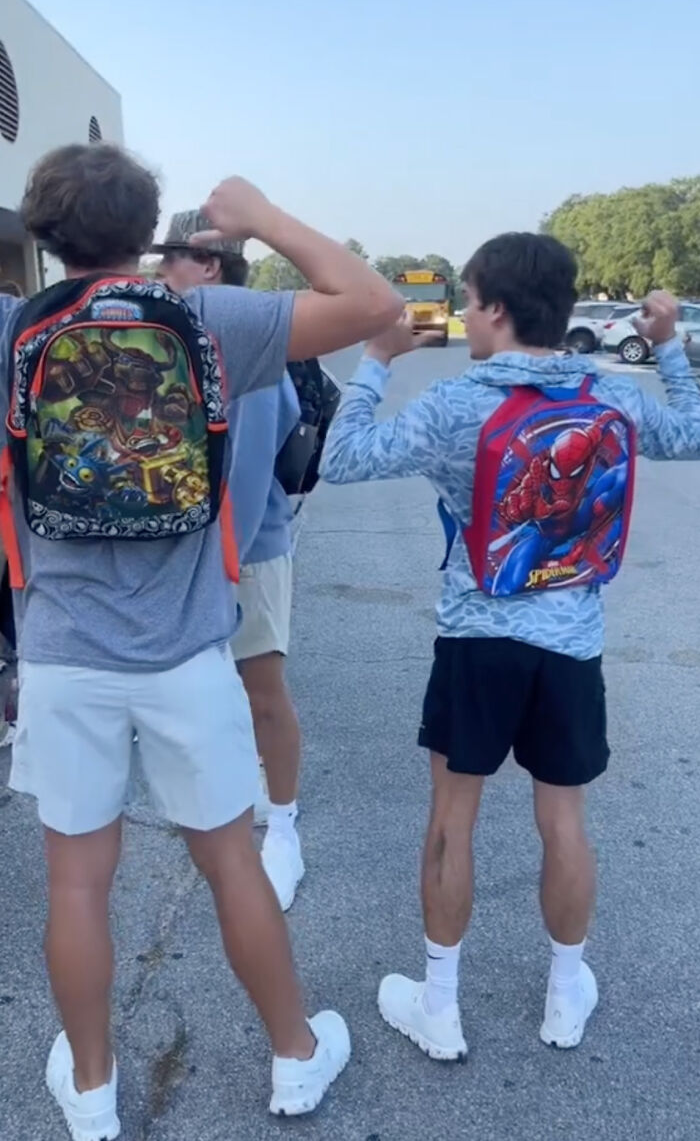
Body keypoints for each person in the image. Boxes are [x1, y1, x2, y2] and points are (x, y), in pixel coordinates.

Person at [5, 142, 402, 1140]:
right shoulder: (209, 318)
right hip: (187, 652)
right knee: (231, 860)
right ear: (150, 234)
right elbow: (375, 305)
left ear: (43, 233)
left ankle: (92, 1091)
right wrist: (261, 216)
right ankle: (294, 1056)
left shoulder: (14, 330)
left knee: (77, 881)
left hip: (61, 654)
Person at [320, 232, 700, 1063]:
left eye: (466, 298)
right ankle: (565, 994)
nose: (460, 312)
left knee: (452, 816)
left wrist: (377, 359)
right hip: (572, 644)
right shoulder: (608, 391)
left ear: (495, 309)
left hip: (477, 637)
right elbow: (692, 431)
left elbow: (340, 458)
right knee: (562, 820)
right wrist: (669, 346)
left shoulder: (456, 403)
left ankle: (441, 1004)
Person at [159, 214, 306, 911]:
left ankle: (284, 827)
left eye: (171, 259)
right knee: (226, 694)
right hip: (209, 548)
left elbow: (245, 469)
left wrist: (219, 571)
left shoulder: (237, 333)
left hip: (241, 548)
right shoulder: (190, 331)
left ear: (209, 265)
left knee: (262, 690)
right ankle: (247, 802)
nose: (161, 273)